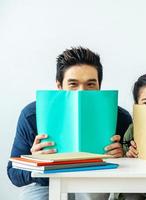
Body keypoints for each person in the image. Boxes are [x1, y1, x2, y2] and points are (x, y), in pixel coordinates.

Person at [7, 47, 132, 200]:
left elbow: (134, 172)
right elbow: (13, 174)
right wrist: (34, 163)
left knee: (91, 193)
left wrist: (123, 157)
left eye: (90, 84)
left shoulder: (120, 117)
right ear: (59, 86)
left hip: (92, 182)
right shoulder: (31, 115)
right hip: (45, 184)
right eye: (73, 84)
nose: (81, 92)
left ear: (100, 86)